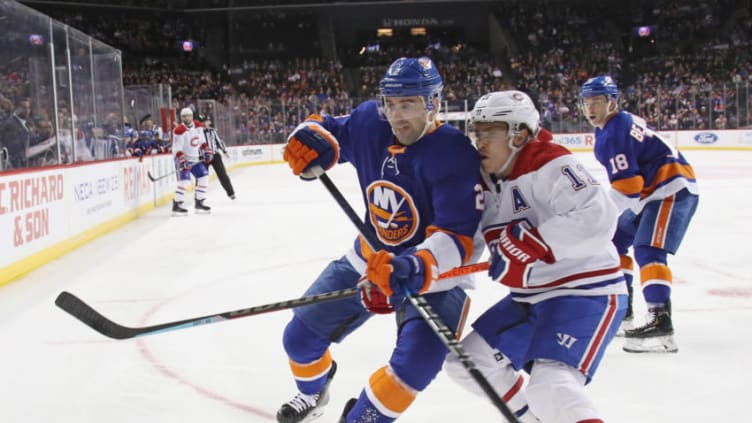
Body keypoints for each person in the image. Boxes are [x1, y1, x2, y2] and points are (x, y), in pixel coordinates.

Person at [276, 56, 482, 423]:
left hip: (434, 275)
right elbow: (325, 128)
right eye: (391, 104)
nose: (398, 115)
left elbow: (457, 236)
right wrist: (307, 138)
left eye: (409, 104)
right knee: (299, 339)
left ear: (433, 103)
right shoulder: (371, 123)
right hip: (369, 258)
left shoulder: (455, 153)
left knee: (414, 368)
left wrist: (411, 267)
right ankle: (313, 394)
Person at [443, 90, 627, 422]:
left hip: (584, 292)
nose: (480, 141)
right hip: (530, 299)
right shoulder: (481, 181)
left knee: (551, 383)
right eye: (477, 131)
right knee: (468, 364)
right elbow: (466, 246)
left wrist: (534, 242)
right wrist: (419, 269)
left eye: (491, 132)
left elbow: (598, 216)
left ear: (520, 135)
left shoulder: (550, 162)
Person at [579, 76, 699, 353]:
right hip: (651, 192)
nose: (590, 108)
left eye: (596, 101)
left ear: (612, 101)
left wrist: (597, 217)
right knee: (614, 240)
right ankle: (623, 311)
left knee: (648, 249)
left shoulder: (614, 132)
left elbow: (628, 188)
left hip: (671, 188)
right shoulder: (610, 127)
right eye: (586, 102)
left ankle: (661, 322)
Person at [171, 107, 213, 215]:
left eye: (188, 115)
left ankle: (199, 202)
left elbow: (201, 141)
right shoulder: (179, 130)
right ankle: (177, 204)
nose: (187, 118)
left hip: (195, 159)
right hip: (183, 159)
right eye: (184, 116)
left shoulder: (198, 125)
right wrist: (182, 160)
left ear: (192, 116)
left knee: (203, 177)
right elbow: (177, 149)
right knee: (184, 182)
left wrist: (206, 150)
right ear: (181, 117)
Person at [201, 115, 235, 199]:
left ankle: (231, 193)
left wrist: (224, 151)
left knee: (222, 175)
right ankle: (199, 197)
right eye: (204, 121)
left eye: (207, 121)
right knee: (201, 177)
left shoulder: (212, 131)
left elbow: (219, 141)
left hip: (215, 156)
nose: (206, 123)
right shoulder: (197, 132)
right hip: (203, 158)